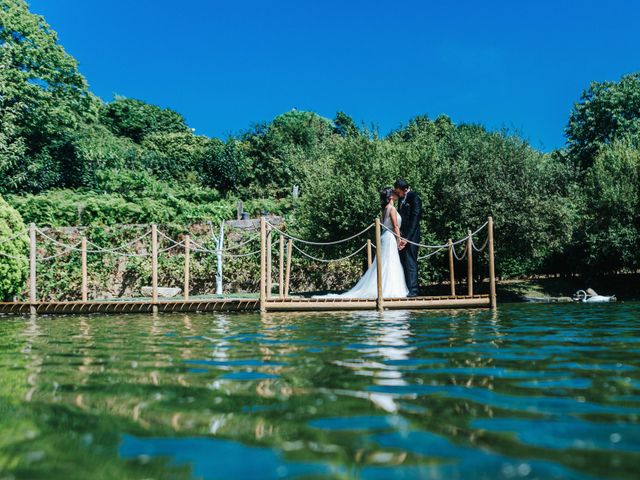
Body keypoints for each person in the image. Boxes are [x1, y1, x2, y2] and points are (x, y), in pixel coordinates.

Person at [314, 187, 408, 299]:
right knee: (389, 263)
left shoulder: (384, 209)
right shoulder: (391, 209)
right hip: (389, 238)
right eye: (394, 193)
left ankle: (384, 288)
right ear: (390, 196)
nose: (396, 194)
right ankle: (389, 289)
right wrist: (399, 239)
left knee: (385, 263)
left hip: (385, 237)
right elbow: (395, 226)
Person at [394, 178, 422, 297]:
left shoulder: (414, 197)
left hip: (412, 236)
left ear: (405, 189)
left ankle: (413, 290)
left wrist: (407, 238)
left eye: (398, 191)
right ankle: (405, 288)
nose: (397, 194)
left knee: (410, 261)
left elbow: (415, 219)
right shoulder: (401, 199)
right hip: (402, 235)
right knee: (403, 261)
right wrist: (400, 236)